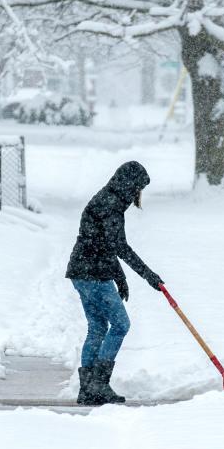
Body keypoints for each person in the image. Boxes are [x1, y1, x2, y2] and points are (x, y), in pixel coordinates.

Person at [66, 161, 164, 406]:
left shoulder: (107, 200)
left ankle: (88, 388)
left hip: (83, 271)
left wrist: (120, 277)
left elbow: (106, 245)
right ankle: (97, 384)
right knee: (120, 324)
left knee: (98, 326)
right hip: (93, 274)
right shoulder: (110, 205)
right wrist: (148, 275)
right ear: (129, 185)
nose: (137, 195)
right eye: (138, 188)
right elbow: (119, 247)